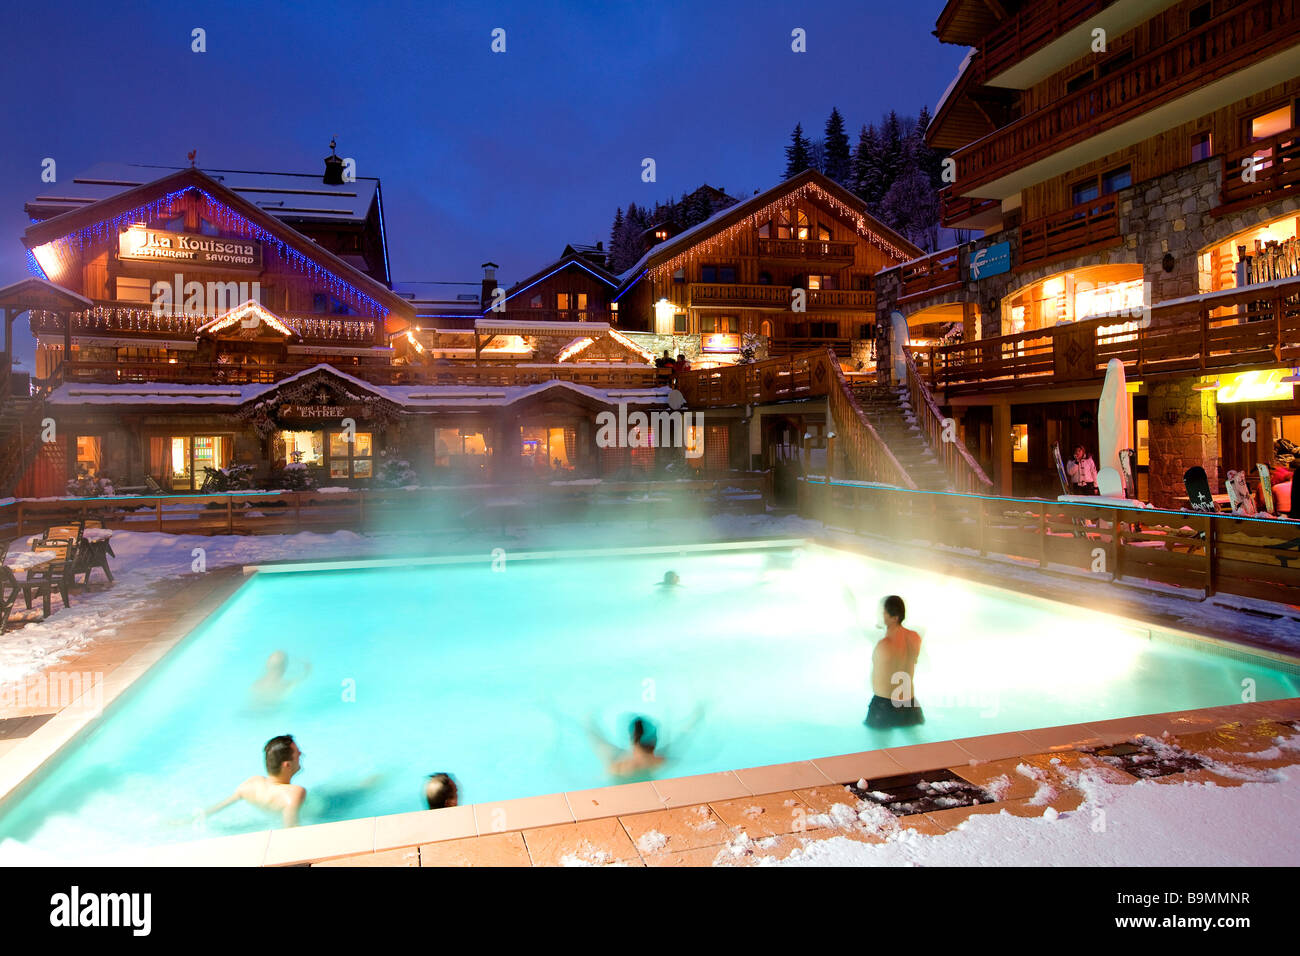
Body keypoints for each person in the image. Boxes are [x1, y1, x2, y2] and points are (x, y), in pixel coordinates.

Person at [203, 735, 307, 828]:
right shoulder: (293, 793)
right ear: (287, 765)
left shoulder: (251, 784)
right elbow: (290, 830)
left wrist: (192, 819)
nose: (300, 753)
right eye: (297, 753)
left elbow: (214, 809)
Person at [587, 710, 703, 780]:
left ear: (632, 739)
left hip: (620, 768)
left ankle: (589, 719)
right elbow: (683, 736)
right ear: (655, 741)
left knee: (601, 742)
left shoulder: (617, 766)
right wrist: (698, 716)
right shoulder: (662, 760)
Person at [864, 596, 925, 730]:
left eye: (884, 613)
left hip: (883, 705)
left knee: (879, 749)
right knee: (917, 748)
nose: (882, 616)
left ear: (894, 617)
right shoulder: (915, 638)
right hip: (909, 704)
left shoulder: (884, 645)